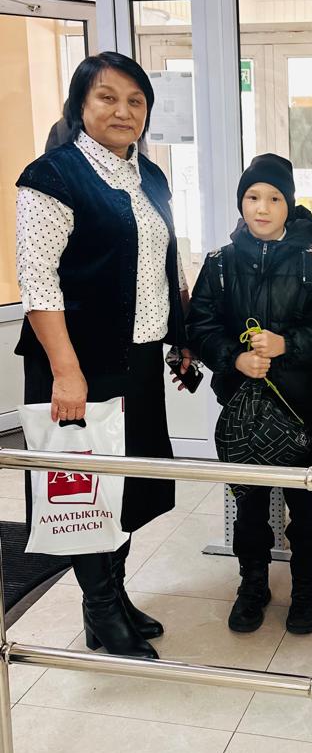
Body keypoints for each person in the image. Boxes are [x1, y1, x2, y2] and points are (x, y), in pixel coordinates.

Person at [15, 51, 191, 660]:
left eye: (135, 101)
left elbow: (163, 263)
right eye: (107, 97)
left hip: (136, 359)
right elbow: (38, 282)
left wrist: (181, 336)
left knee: (128, 488)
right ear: (80, 105)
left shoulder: (151, 177)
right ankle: (100, 612)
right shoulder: (52, 176)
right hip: (79, 365)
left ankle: (114, 594)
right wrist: (66, 372)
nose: (123, 111)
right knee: (85, 492)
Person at [186, 153, 312, 636]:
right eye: (252, 197)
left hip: (300, 407)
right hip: (240, 408)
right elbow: (201, 325)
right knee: (248, 506)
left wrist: (286, 345)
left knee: (306, 507)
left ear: (289, 205)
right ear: (241, 203)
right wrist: (233, 357)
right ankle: (252, 583)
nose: (262, 207)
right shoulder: (219, 265)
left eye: (274, 198)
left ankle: (307, 588)